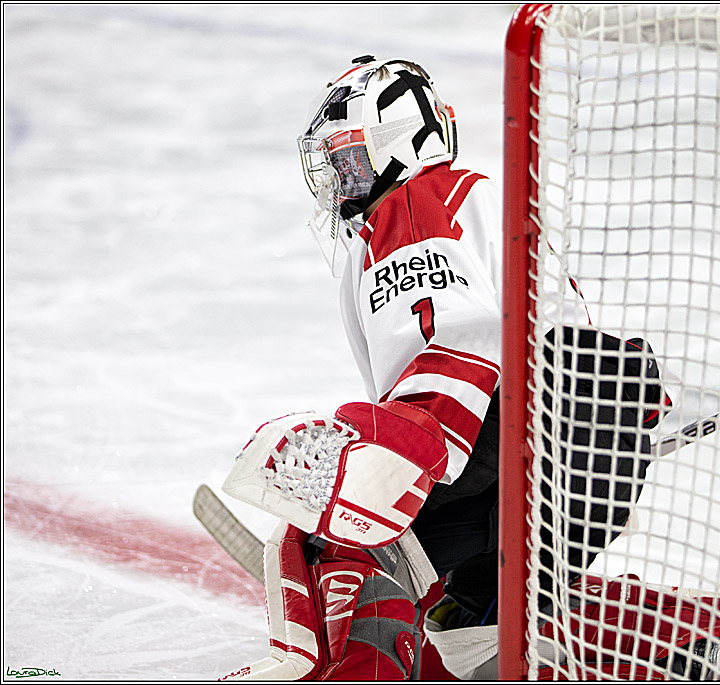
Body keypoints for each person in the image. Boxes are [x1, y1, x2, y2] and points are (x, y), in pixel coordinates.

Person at [219, 56, 672, 681]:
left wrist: (391, 469)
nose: (341, 183)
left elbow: (458, 343)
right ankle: (658, 647)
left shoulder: (413, 204)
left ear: (400, 145)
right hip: (589, 469)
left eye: (351, 161)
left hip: (525, 437)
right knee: (472, 618)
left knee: (342, 538)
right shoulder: (475, 197)